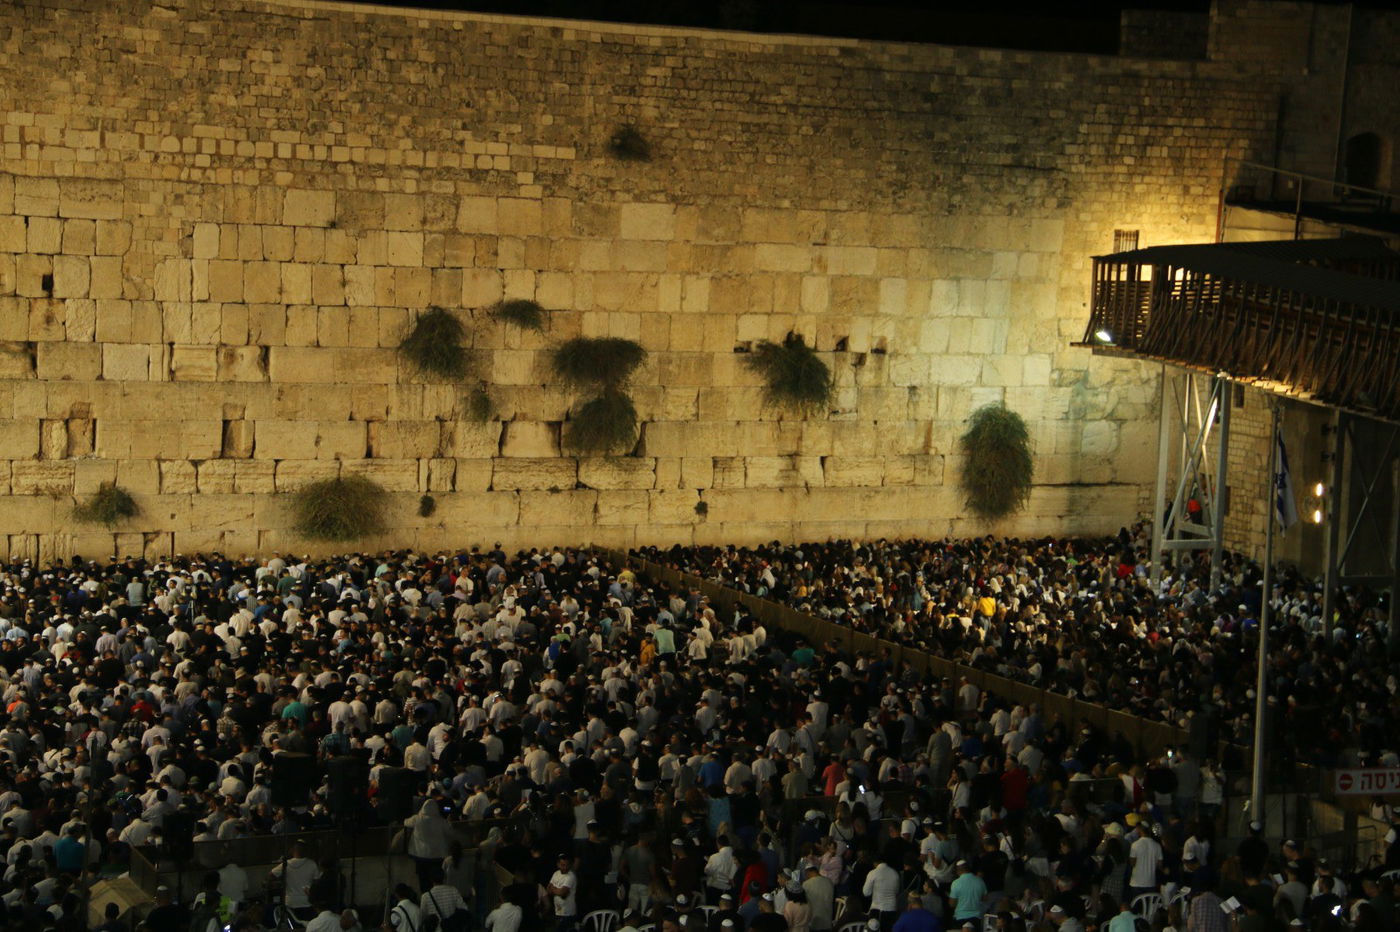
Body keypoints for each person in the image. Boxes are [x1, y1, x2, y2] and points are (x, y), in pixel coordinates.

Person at [948, 860, 987, 926]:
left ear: (958, 870)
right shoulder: (980, 881)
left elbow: (952, 904)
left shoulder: (956, 883)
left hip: (960, 918)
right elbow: (985, 899)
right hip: (976, 918)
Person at [548, 853, 579, 932]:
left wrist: (554, 889)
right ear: (558, 864)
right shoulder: (556, 874)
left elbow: (562, 892)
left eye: (567, 865)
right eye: (562, 865)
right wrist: (558, 891)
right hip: (557, 911)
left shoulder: (571, 876)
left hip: (568, 913)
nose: (565, 867)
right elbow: (548, 889)